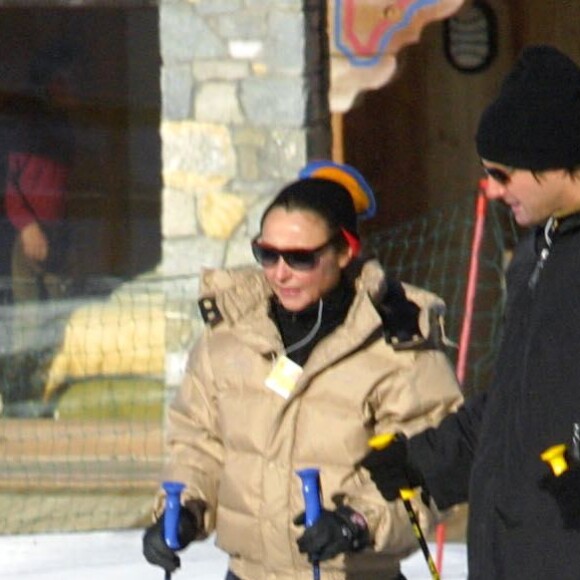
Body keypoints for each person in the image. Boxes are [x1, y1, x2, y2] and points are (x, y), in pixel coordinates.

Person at [142, 160, 463, 579]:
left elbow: (432, 470)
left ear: (345, 250)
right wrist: (182, 508)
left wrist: (357, 523)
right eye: (267, 253)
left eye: (300, 258)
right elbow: (198, 444)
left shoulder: (399, 347)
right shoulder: (229, 338)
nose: (280, 272)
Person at [361, 45, 580, 579]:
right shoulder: (537, 253)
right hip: (515, 550)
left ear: (555, 160)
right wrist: (423, 460)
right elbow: (516, 404)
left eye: (503, 173)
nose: (492, 189)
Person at [6, 40, 77, 309]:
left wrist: (68, 239)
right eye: (69, 80)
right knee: (29, 322)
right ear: (53, 84)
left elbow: (66, 191)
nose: (76, 89)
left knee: (59, 318)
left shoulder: (66, 130)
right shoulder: (27, 126)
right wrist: (28, 227)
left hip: (57, 239)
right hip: (27, 240)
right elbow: (9, 184)